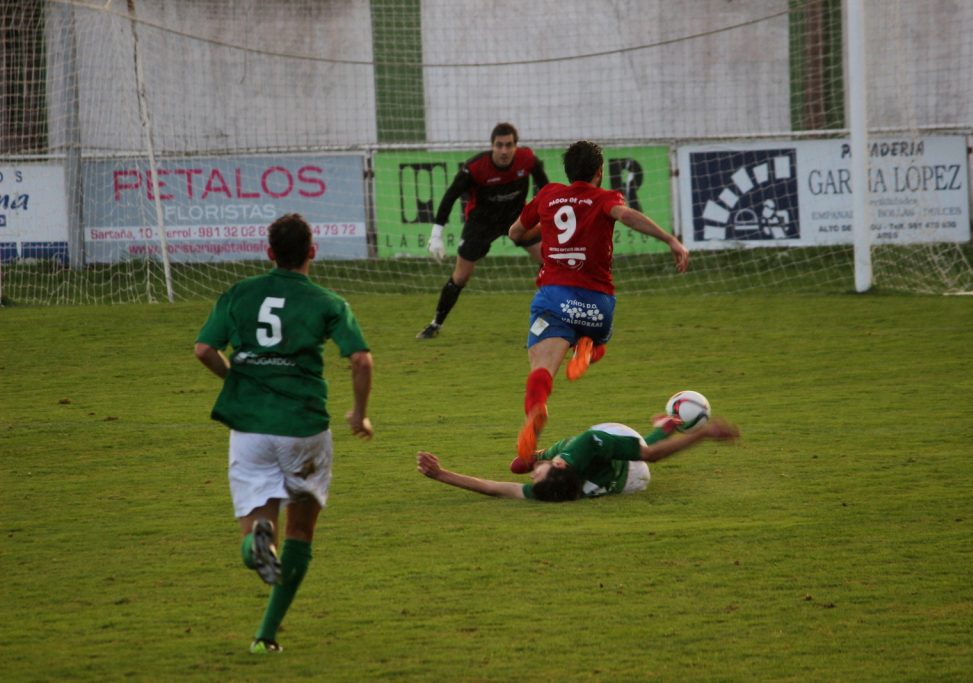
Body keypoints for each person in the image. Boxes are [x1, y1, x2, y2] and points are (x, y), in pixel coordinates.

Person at [194, 213, 373, 655]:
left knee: (257, 529)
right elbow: (361, 360)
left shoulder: (240, 292)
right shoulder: (327, 301)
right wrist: (359, 414)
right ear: (312, 251)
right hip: (304, 429)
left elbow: (204, 349)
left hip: (250, 430)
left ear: (269, 252)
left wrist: (235, 377)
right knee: (299, 532)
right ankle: (265, 635)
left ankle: (255, 546)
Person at [507, 140, 689, 471]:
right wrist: (670, 239)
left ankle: (536, 410)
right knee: (594, 335)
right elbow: (628, 216)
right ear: (599, 171)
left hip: (554, 297)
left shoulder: (548, 195)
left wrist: (544, 230)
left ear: (567, 171)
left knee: (541, 368)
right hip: (597, 305)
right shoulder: (605, 198)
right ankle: (590, 349)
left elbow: (515, 233)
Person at [417, 122, 549, 339]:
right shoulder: (475, 168)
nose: (504, 151)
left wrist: (548, 216)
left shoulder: (527, 159)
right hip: (481, 223)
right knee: (461, 276)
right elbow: (450, 196)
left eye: (509, 145)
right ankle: (435, 324)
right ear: (492, 146)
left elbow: (545, 188)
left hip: (516, 220)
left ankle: (547, 318)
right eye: (499, 145)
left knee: (550, 261)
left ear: (516, 146)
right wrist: (436, 234)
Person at [417, 415, 739, 502]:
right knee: (592, 436)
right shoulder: (584, 446)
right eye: (537, 472)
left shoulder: (551, 492)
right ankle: (664, 427)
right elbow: (650, 455)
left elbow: (493, 488)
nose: (532, 476)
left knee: (568, 446)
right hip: (630, 472)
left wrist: (441, 474)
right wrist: (703, 433)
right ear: (559, 466)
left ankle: (663, 427)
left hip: (628, 483)